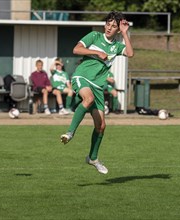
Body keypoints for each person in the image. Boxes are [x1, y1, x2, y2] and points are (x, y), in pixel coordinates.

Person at [60, 11, 134, 174]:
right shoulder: (94, 36)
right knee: (88, 99)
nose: (109, 27)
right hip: (82, 77)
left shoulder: (116, 46)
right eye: (108, 24)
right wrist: (96, 52)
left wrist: (125, 33)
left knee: (101, 126)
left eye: (114, 26)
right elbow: (76, 49)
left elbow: (130, 53)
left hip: (98, 86)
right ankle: (70, 132)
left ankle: (93, 158)